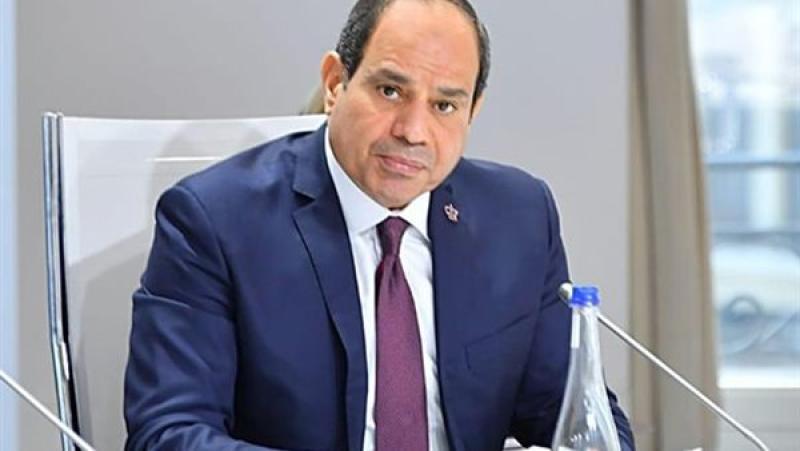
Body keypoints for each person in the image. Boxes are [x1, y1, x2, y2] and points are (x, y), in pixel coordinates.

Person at [124, 0, 636, 450]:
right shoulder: (215, 222)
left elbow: (578, 413)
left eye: (444, 105)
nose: (413, 131)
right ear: (335, 83)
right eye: (391, 91)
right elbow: (168, 434)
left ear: (472, 112)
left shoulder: (518, 218)